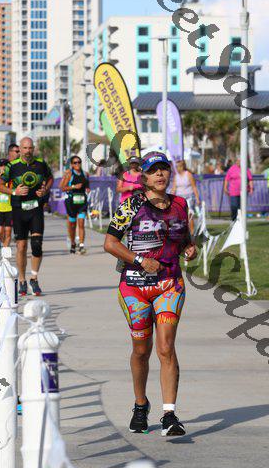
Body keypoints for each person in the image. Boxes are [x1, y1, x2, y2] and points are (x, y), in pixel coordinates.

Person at [104, 151, 197, 437]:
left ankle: (169, 414)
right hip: (135, 288)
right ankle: (140, 404)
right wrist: (140, 260)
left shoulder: (180, 204)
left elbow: (183, 238)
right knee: (141, 351)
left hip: (169, 284)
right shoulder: (131, 205)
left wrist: (189, 248)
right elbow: (110, 243)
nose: (160, 174)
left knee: (166, 347)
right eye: (154, 170)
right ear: (143, 176)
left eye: (164, 169)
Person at [0, 137, 53, 296]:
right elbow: (0, 186)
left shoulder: (41, 164)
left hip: (36, 208)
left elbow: (50, 179)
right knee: (21, 246)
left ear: (33, 149)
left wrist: (45, 190)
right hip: (18, 209)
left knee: (37, 244)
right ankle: (21, 280)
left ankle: (34, 278)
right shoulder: (12, 166)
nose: (28, 151)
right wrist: (14, 191)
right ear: (20, 149)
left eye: (30, 148)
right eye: (25, 148)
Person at [59, 156, 90, 254]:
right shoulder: (69, 174)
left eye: (79, 162)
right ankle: (72, 242)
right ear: (72, 164)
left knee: (81, 223)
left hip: (82, 202)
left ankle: (81, 245)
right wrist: (73, 186)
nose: (77, 164)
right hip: (71, 202)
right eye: (75, 162)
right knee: (72, 225)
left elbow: (87, 185)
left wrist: (87, 189)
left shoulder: (85, 174)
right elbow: (62, 188)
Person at [0, 146, 20, 247]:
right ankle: (0, 248)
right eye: (1, 165)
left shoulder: (11, 179)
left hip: (9, 208)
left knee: (8, 231)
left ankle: (5, 249)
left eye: (5, 165)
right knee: (0, 231)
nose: (3, 167)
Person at [171, 160, 200, 234]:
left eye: (178, 166)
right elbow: (174, 188)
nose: (177, 168)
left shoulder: (188, 174)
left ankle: (192, 233)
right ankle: (182, 232)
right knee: (180, 216)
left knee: (189, 214)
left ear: (182, 167)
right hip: (179, 198)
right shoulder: (176, 177)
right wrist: (170, 198)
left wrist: (197, 198)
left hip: (189, 197)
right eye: (176, 167)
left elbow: (194, 187)